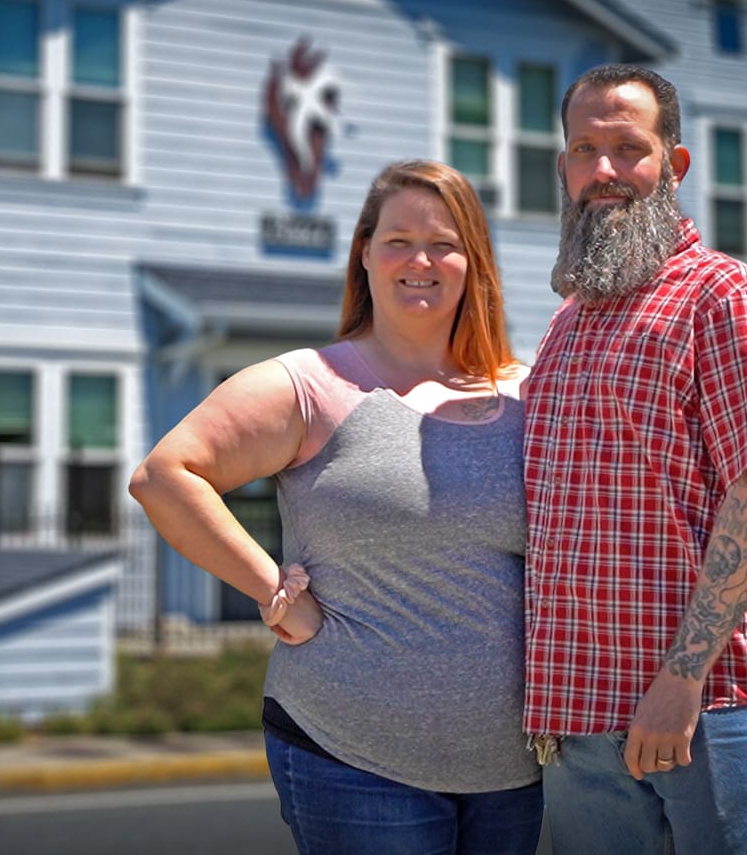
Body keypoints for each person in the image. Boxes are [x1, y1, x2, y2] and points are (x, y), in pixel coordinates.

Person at [130, 159, 540, 854]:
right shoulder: (313, 383)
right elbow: (164, 476)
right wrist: (272, 589)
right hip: (352, 757)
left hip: (510, 770)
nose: (420, 260)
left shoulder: (527, 393)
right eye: (398, 241)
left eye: (443, 243)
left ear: (474, 260)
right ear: (365, 253)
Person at [523, 62, 747, 854]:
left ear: (673, 164)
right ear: (564, 167)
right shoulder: (566, 326)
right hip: (579, 721)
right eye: (586, 150)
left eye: (628, 148)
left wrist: (682, 680)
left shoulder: (725, 295)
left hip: (707, 710)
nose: (604, 170)